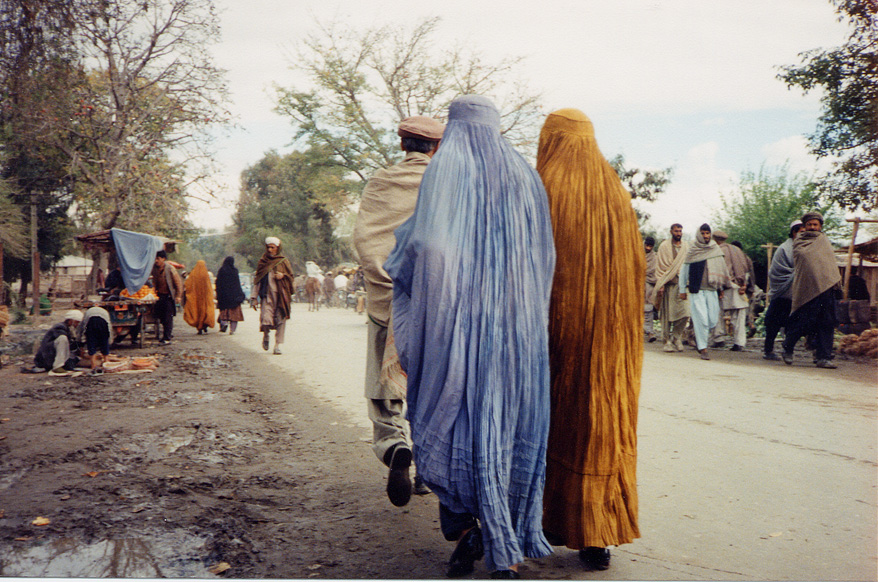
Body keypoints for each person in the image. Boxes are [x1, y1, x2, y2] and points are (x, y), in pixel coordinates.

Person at [385, 95, 555, 578]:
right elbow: (544, 256)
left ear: (454, 129)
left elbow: (425, 247)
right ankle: (507, 534)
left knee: (453, 415)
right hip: (518, 337)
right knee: (509, 424)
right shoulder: (526, 176)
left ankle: (464, 529)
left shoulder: (446, 170)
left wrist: (412, 271)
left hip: (454, 330)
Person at [536, 108, 643, 571]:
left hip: (552, 336)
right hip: (612, 343)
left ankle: (547, 523)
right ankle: (597, 534)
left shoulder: (541, 189)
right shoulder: (617, 195)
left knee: (552, 424)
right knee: (602, 427)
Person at [352, 114, 445, 507]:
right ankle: (428, 466)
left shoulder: (380, 182)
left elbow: (365, 240)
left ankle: (393, 445)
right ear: (437, 148)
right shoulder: (448, 184)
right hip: (436, 306)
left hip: (385, 303)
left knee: (385, 383)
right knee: (433, 387)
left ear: (403, 145)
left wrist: (389, 287)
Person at [782, 211, 841, 368]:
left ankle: (824, 357)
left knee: (826, 323)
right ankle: (788, 347)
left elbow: (829, 264)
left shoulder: (824, 241)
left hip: (827, 288)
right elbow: (806, 261)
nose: (813, 227)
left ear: (820, 226)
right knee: (804, 322)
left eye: (815, 225)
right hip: (807, 290)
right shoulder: (799, 242)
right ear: (805, 226)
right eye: (809, 225)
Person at [679, 224, 731, 360]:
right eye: (703, 233)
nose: (706, 236)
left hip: (712, 290)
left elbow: (721, 269)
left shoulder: (715, 249)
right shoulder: (693, 249)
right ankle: (703, 348)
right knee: (701, 318)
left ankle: (698, 338)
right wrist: (682, 288)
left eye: (708, 233)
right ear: (699, 234)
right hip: (697, 290)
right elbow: (684, 270)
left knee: (712, 320)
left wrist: (721, 288)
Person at [763, 220, 803, 360]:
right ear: (794, 232)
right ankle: (768, 351)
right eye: (801, 232)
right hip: (782, 293)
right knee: (773, 323)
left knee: (793, 324)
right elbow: (776, 271)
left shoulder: (806, 248)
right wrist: (795, 273)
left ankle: (788, 351)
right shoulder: (783, 249)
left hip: (797, 295)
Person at [250, 237, 294, 355]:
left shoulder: (283, 261)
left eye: (272, 247)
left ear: (277, 248)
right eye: (268, 247)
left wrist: (283, 275)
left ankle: (277, 345)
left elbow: (291, 277)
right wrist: (254, 298)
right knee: (265, 319)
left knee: (281, 320)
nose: (270, 250)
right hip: (267, 296)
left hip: (281, 296)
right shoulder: (262, 262)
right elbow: (257, 280)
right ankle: (266, 335)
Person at [650, 224, 690, 352]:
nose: (679, 233)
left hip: (683, 285)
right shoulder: (664, 246)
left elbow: (688, 264)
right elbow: (660, 266)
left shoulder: (685, 246)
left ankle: (676, 337)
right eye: (676, 231)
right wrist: (661, 284)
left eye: (680, 231)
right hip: (668, 284)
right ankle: (667, 340)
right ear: (671, 232)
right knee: (667, 315)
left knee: (685, 313)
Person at [710, 230, 752, 351]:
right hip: (740, 287)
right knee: (739, 316)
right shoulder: (738, 251)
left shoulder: (717, 251)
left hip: (724, 287)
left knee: (717, 312)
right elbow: (748, 269)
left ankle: (718, 339)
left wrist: (719, 288)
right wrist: (746, 285)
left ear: (715, 239)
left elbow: (717, 272)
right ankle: (739, 342)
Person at [33, 310, 82, 375]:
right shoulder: (59, 327)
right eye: (76, 322)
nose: (77, 324)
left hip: (53, 354)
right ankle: (57, 366)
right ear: (70, 321)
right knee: (63, 338)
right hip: (47, 355)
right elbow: (66, 343)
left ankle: (62, 364)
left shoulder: (68, 328)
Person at [151, 250, 183, 346]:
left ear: (163, 259)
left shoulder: (170, 269)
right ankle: (165, 335)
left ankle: (167, 337)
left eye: (158, 258)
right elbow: (154, 282)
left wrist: (178, 296)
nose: (156, 261)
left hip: (168, 296)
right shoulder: (155, 269)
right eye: (155, 259)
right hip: (159, 296)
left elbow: (178, 283)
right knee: (161, 317)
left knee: (168, 317)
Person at [183, 260, 216, 335]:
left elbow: (187, 284)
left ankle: (199, 327)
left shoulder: (193, 275)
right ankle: (204, 326)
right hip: (205, 298)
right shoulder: (206, 275)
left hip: (196, 298)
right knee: (205, 312)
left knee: (196, 312)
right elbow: (209, 287)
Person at [215, 256, 246, 335]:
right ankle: (232, 330)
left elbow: (218, 283)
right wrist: (240, 294)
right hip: (234, 297)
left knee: (224, 313)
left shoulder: (221, 271)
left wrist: (218, 294)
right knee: (234, 315)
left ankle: (224, 323)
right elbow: (237, 284)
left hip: (224, 297)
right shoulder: (234, 271)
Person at [76, 305, 112, 372]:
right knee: (104, 341)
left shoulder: (87, 312)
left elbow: (81, 328)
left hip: (91, 322)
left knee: (91, 342)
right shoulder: (105, 312)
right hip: (103, 323)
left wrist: (80, 342)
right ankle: (106, 363)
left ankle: (93, 365)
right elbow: (109, 327)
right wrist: (109, 340)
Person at [644, 235, 657, 343]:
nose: (648, 248)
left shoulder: (654, 258)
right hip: (636, 285)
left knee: (648, 310)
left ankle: (650, 332)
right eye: (647, 245)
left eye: (650, 246)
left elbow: (655, 273)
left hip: (649, 286)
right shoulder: (637, 254)